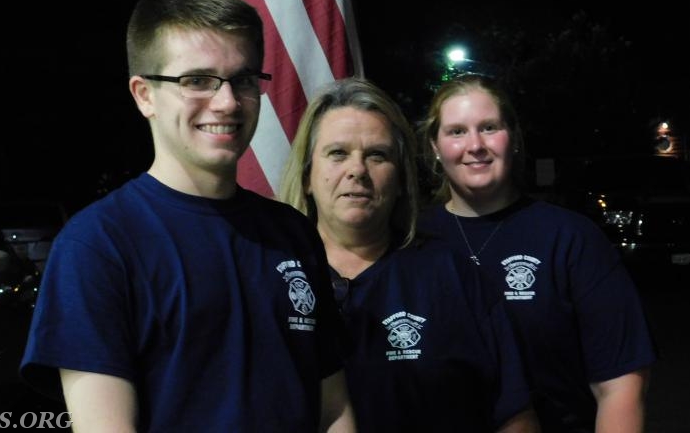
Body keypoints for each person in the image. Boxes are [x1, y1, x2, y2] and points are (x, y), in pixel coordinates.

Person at [20, 0, 356, 432]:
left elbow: (332, 407)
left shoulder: (291, 232)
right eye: (197, 80)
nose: (227, 101)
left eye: (243, 79)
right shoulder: (97, 245)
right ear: (144, 95)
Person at [278, 77, 539, 432]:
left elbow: (515, 416)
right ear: (308, 175)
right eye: (338, 153)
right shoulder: (273, 279)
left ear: (401, 179)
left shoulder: (451, 275)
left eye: (377, 155)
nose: (357, 170)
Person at [418, 74, 658, 433]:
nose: (475, 145)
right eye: (456, 132)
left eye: (489, 127)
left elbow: (620, 386)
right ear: (435, 147)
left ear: (512, 138)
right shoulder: (411, 240)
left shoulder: (570, 238)